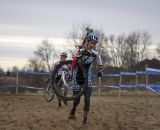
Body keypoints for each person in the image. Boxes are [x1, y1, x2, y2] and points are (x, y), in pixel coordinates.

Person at [68, 33, 103, 124]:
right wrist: (80, 52)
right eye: (91, 43)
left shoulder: (95, 54)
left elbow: (100, 64)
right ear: (86, 42)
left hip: (88, 78)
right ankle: (73, 110)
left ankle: (85, 121)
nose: (93, 45)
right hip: (77, 77)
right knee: (77, 100)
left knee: (87, 99)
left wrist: (100, 71)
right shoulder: (78, 50)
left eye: (94, 44)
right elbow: (71, 61)